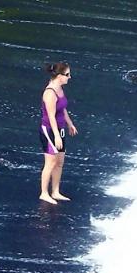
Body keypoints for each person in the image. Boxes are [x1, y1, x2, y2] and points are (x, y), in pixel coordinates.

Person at [38, 61, 77, 204]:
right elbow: (51, 115)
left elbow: (63, 108)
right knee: (51, 161)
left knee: (60, 161)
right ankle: (44, 193)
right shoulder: (50, 93)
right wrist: (56, 135)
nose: (69, 77)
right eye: (67, 75)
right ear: (59, 76)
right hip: (49, 130)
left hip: (59, 129)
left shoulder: (60, 88)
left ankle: (55, 191)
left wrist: (70, 124)